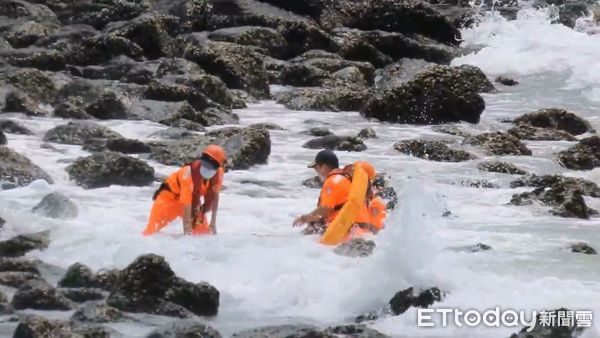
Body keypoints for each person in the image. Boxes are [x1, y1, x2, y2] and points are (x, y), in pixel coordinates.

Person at [293, 150, 381, 239]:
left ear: (324, 167)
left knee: (310, 229)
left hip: (346, 234)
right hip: (363, 231)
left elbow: (324, 210)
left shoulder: (332, 182)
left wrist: (303, 218)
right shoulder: (349, 180)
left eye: (316, 168)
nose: (317, 173)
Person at [143, 145, 226, 236]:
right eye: (205, 163)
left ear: (218, 166)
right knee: (150, 234)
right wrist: (187, 235)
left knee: (204, 235)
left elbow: (215, 196)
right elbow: (187, 207)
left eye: (211, 165)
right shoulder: (188, 175)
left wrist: (213, 223)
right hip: (168, 200)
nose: (207, 167)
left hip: (193, 204)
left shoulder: (219, 174)